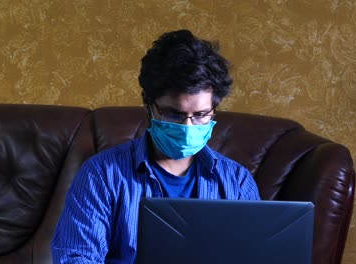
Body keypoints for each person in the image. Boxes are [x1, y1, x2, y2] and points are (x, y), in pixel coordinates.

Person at [51, 29, 260, 263]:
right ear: (149, 105)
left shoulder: (238, 183)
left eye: (201, 114)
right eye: (174, 114)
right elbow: (76, 257)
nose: (188, 126)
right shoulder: (102, 175)